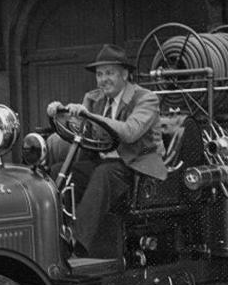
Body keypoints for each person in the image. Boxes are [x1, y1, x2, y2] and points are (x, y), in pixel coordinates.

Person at [46, 44, 166, 258]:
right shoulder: (94, 99)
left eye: (109, 73)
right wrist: (60, 113)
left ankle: (77, 243)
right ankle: (54, 235)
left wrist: (89, 116)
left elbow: (130, 132)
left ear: (125, 74)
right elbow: (82, 131)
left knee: (104, 174)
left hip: (137, 167)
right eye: (100, 74)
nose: (103, 80)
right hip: (104, 163)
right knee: (58, 172)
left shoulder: (146, 98)